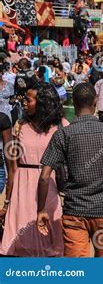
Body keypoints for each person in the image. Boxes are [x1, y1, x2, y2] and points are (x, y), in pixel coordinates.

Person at [37, 83, 103, 257]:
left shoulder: (63, 134)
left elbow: (44, 177)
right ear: (96, 101)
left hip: (74, 214)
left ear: (75, 103)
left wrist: (41, 210)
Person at [0, 83, 67, 257]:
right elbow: (13, 167)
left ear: (43, 102)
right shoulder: (19, 126)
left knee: (49, 240)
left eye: (28, 100)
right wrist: (7, 202)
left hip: (49, 188)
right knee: (21, 244)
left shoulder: (62, 126)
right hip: (22, 191)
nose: (24, 103)